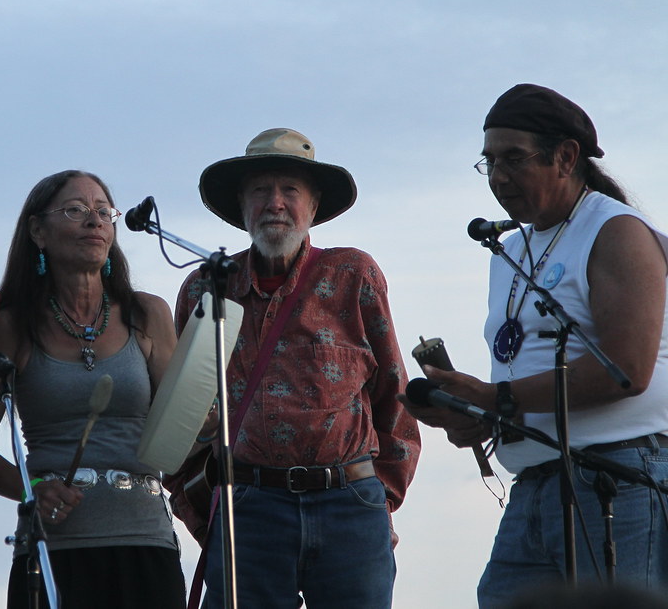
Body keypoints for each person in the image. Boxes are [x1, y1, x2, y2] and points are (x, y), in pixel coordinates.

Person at [399, 84, 668, 607]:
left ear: (566, 157)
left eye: (514, 159)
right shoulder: (510, 250)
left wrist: (496, 398)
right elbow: (527, 370)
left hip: (619, 481)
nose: (498, 177)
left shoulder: (616, 231)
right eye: (489, 161)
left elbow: (626, 371)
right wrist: (477, 413)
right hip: (538, 483)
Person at [169, 128, 421, 608]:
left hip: (349, 502)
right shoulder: (205, 289)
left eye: (290, 190)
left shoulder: (353, 274)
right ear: (242, 204)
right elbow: (180, 418)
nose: (276, 203)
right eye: (261, 190)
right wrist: (202, 515)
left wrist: (379, 501)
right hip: (249, 510)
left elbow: (394, 392)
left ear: (314, 202)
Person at [0, 170, 187, 609]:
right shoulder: (11, 326)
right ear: (37, 231)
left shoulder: (148, 313)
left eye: (104, 211)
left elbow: (182, 431)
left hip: (146, 543)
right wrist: (31, 489)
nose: (94, 221)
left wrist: (208, 419)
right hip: (53, 551)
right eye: (76, 210)